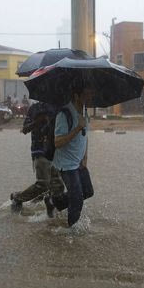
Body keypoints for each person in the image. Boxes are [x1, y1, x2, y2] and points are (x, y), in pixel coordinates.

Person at [10, 102, 65, 217]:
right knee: (43, 183)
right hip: (39, 150)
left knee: (58, 186)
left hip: (56, 150)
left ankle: (50, 208)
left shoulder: (58, 107)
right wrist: (38, 121)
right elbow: (24, 129)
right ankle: (18, 197)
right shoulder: (35, 108)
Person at [50, 83, 94, 227]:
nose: (89, 97)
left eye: (90, 93)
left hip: (79, 162)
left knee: (87, 191)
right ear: (76, 96)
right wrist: (77, 128)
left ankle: (53, 202)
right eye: (86, 94)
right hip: (67, 164)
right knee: (77, 199)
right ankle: (71, 232)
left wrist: (85, 157)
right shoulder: (64, 114)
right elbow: (57, 142)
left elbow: (84, 137)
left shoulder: (84, 112)